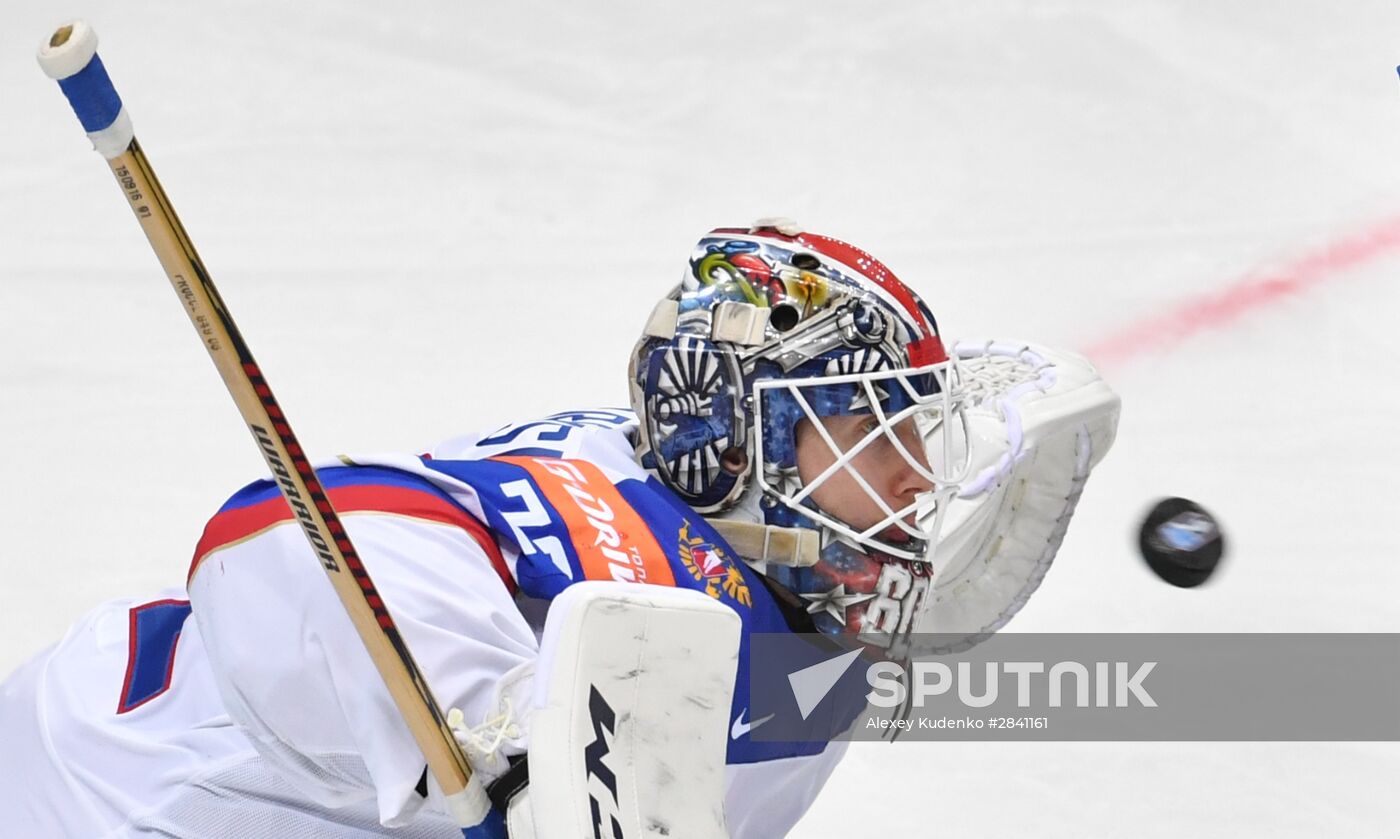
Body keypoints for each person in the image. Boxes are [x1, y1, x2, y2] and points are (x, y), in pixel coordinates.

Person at [0, 220, 1119, 837]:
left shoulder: (780, 593)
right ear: (741, 441)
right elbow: (287, 532)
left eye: (915, 431)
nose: (911, 473)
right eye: (868, 429)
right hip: (107, 791)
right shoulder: (619, 544)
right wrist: (500, 734)